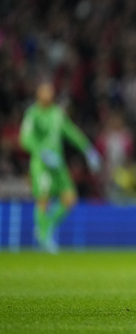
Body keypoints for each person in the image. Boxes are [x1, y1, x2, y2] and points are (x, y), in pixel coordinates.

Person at [20, 82, 101, 253]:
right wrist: (41, 152)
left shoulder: (57, 114)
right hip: (41, 164)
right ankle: (44, 237)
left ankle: (45, 227)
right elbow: (25, 138)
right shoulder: (33, 114)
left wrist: (88, 149)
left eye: (50, 92)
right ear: (38, 95)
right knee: (43, 198)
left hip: (58, 164)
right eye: (44, 92)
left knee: (70, 198)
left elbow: (71, 132)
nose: (47, 95)